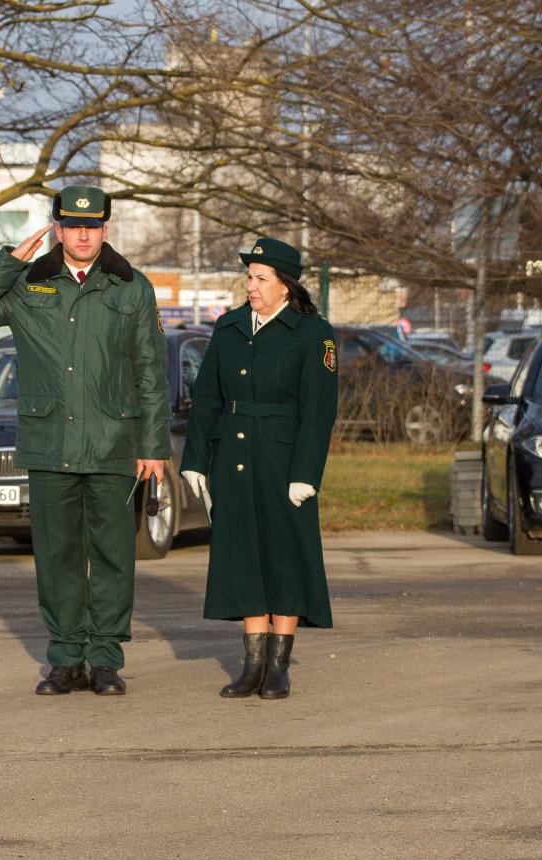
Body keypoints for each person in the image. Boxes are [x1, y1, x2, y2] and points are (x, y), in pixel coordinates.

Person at [0, 185, 170, 696]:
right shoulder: (30, 282)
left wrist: (154, 447)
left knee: (114, 557)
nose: (82, 233)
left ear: (104, 229)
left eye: (92, 225)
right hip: (50, 441)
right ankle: (65, 657)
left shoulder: (131, 287)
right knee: (57, 557)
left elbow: (151, 371)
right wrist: (9, 261)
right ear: (56, 227)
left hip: (114, 443)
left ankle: (105, 660)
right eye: (72, 225)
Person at [179, 237, 338, 700]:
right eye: (249, 277)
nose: (251, 285)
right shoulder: (228, 328)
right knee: (243, 555)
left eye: (260, 278)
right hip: (234, 457)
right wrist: (196, 461)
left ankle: (278, 666)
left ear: (284, 286)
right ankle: (251, 666)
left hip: (285, 460)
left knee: (284, 557)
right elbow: (207, 397)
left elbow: (319, 409)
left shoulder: (313, 333)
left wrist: (307, 472)